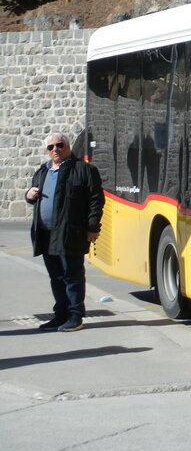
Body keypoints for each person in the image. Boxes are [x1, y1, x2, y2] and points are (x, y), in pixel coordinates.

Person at [25, 132, 105, 332]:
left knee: (72, 275)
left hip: (71, 231)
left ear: (68, 146)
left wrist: (93, 227)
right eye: (51, 147)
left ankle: (75, 316)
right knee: (56, 277)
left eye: (59, 145)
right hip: (45, 232)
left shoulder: (84, 170)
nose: (55, 150)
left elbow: (96, 200)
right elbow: (33, 195)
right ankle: (60, 315)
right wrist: (28, 195)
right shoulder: (42, 171)